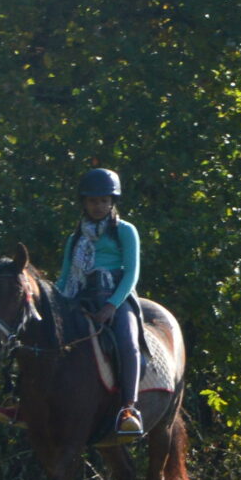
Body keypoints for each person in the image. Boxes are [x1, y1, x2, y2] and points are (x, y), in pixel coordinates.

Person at [56, 168, 146, 439]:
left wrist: (112, 305)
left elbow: (131, 272)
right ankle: (25, 400)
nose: (99, 206)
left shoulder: (125, 231)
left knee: (127, 342)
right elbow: (64, 278)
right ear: (84, 203)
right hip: (81, 298)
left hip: (116, 297)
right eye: (93, 201)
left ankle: (129, 410)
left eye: (104, 201)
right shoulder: (75, 239)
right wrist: (53, 305)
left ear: (112, 202)